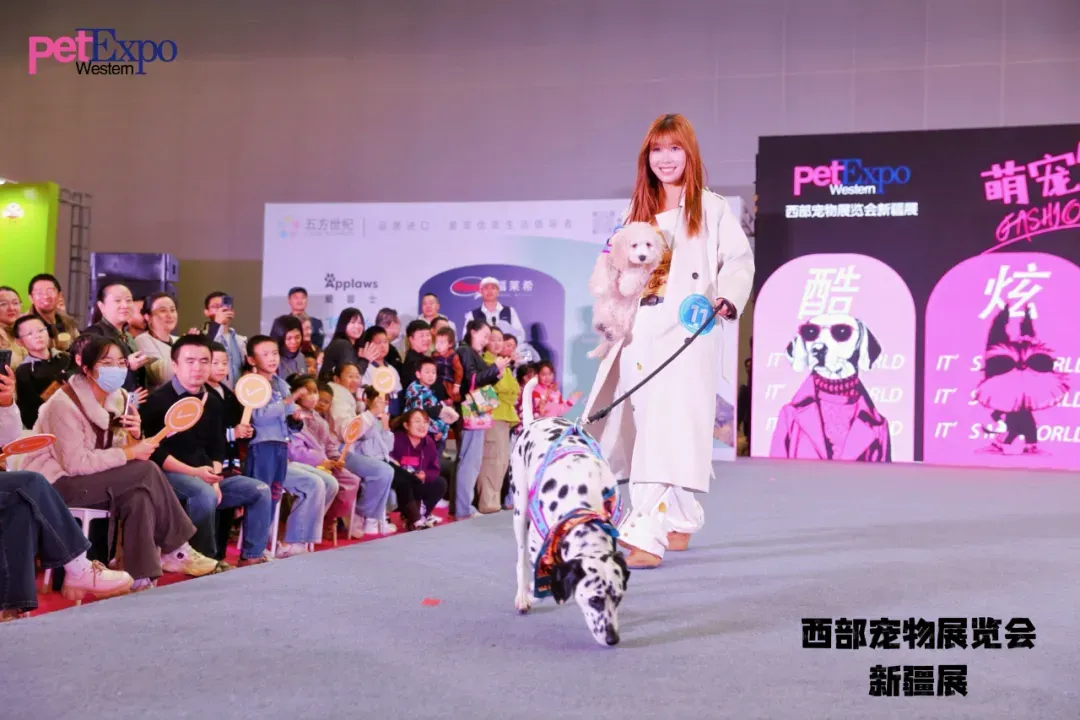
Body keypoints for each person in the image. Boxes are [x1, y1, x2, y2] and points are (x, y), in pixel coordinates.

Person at [582, 113, 755, 570]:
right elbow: (614, 266)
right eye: (657, 150)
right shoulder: (634, 212)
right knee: (649, 427)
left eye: (674, 148)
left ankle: (645, 535)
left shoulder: (711, 208)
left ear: (689, 153)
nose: (665, 158)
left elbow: (739, 261)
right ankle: (680, 518)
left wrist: (727, 297)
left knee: (666, 428)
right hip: (639, 332)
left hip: (687, 330)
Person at [22, 336, 218, 590]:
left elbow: (120, 452)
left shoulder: (120, 398)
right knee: (146, 471)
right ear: (86, 368)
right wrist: (131, 452)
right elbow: (75, 464)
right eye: (106, 363)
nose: (115, 368)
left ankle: (141, 578)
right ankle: (176, 548)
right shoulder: (61, 404)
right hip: (57, 484)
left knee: (139, 495)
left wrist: (135, 435)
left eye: (121, 362)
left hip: (96, 479)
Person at [1, 365, 134, 619]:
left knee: (20, 505)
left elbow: (8, 440)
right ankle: (78, 567)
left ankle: (11, 607)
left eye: (120, 363)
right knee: (30, 483)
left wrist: (6, 404)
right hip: (62, 476)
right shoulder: (63, 402)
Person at [140, 334, 274, 568]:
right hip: (169, 476)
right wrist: (196, 474)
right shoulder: (157, 401)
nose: (198, 368)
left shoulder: (212, 401)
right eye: (190, 361)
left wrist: (214, 477)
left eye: (204, 361)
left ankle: (252, 555)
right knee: (203, 494)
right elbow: (154, 452)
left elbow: (217, 446)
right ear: (175, 365)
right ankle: (206, 562)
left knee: (259, 490)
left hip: (206, 474)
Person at [454, 320, 510, 519]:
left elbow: (481, 379)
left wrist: (496, 373)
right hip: (470, 408)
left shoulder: (472, 353)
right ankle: (464, 508)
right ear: (472, 331)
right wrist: (494, 368)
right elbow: (471, 381)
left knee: (474, 460)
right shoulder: (465, 351)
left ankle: (466, 506)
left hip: (479, 408)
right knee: (469, 461)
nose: (487, 341)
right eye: (485, 336)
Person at [475, 328, 520, 514]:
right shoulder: (485, 362)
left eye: (500, 340)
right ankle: (487, 503)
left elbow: (513, 391)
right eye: (493, 339)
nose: (497, 343)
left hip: (504, 417)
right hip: (492, 417)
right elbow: (492, 392)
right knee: (491, 461)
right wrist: (505, 395)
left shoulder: (503, 363)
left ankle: (493, 502)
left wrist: (506, 395)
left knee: (501, 463)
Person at [81, 280, 151, 394]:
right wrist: (127, 365)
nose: (125, 305)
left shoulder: (128, 336)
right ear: (101, 306)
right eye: (117, 300)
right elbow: (91, 376)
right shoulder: (93, 336)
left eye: (128, 300)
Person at [388, 407, 447, 530]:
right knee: (406, 481)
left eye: (425, 422)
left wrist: (425, 475)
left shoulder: (429, 442)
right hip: (400, 485)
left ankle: (422, 515)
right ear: (406, 425)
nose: (422, 425)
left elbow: (434, 469)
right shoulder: (395, 439)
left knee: (440, 483)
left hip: (419, 483)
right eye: (417, 421)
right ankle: (416, 520)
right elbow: (388, 461)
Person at [13, 314, 73, 429]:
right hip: (49, 427)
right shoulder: (24, 371)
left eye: (41, 330)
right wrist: (59, 389)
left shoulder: (65, 358)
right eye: (29, 334)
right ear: (20, 342)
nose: (37, 336)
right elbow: (29, 414)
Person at [134, 292, 181, 391]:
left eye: (172, 310)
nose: (169, 315)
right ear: (147, 316)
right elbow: (161, 376)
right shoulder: (142, 340)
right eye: (163, 311)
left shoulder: (178, 340)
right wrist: (186, 350)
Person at [28, 274, 79, 352]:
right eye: (39, 292)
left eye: (50, 291)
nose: (45, 296)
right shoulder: (24, 325)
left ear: (59, 295)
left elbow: (79, 349)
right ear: (31, 298)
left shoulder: (68, 323)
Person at [269, 314, 307, 379]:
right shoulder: (272, 361)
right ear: (279, 338)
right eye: (289, 338)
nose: (294, 342)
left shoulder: (301, 357)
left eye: (297, 337)